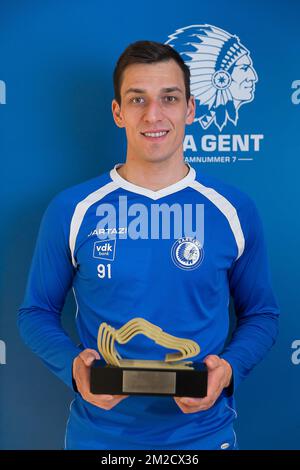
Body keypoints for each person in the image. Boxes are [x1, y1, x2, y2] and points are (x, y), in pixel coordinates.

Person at [18, 40, 279, 450]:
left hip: (203, 437)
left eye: (169, 98)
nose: (153, 115)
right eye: (137, 99)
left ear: (190, 108)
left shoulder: (233, 209)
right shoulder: (73, 209)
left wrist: (228, 369)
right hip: (99, 438)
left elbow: (262, 314)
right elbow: (35, 312)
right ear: (118, 112)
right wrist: (74, 366)